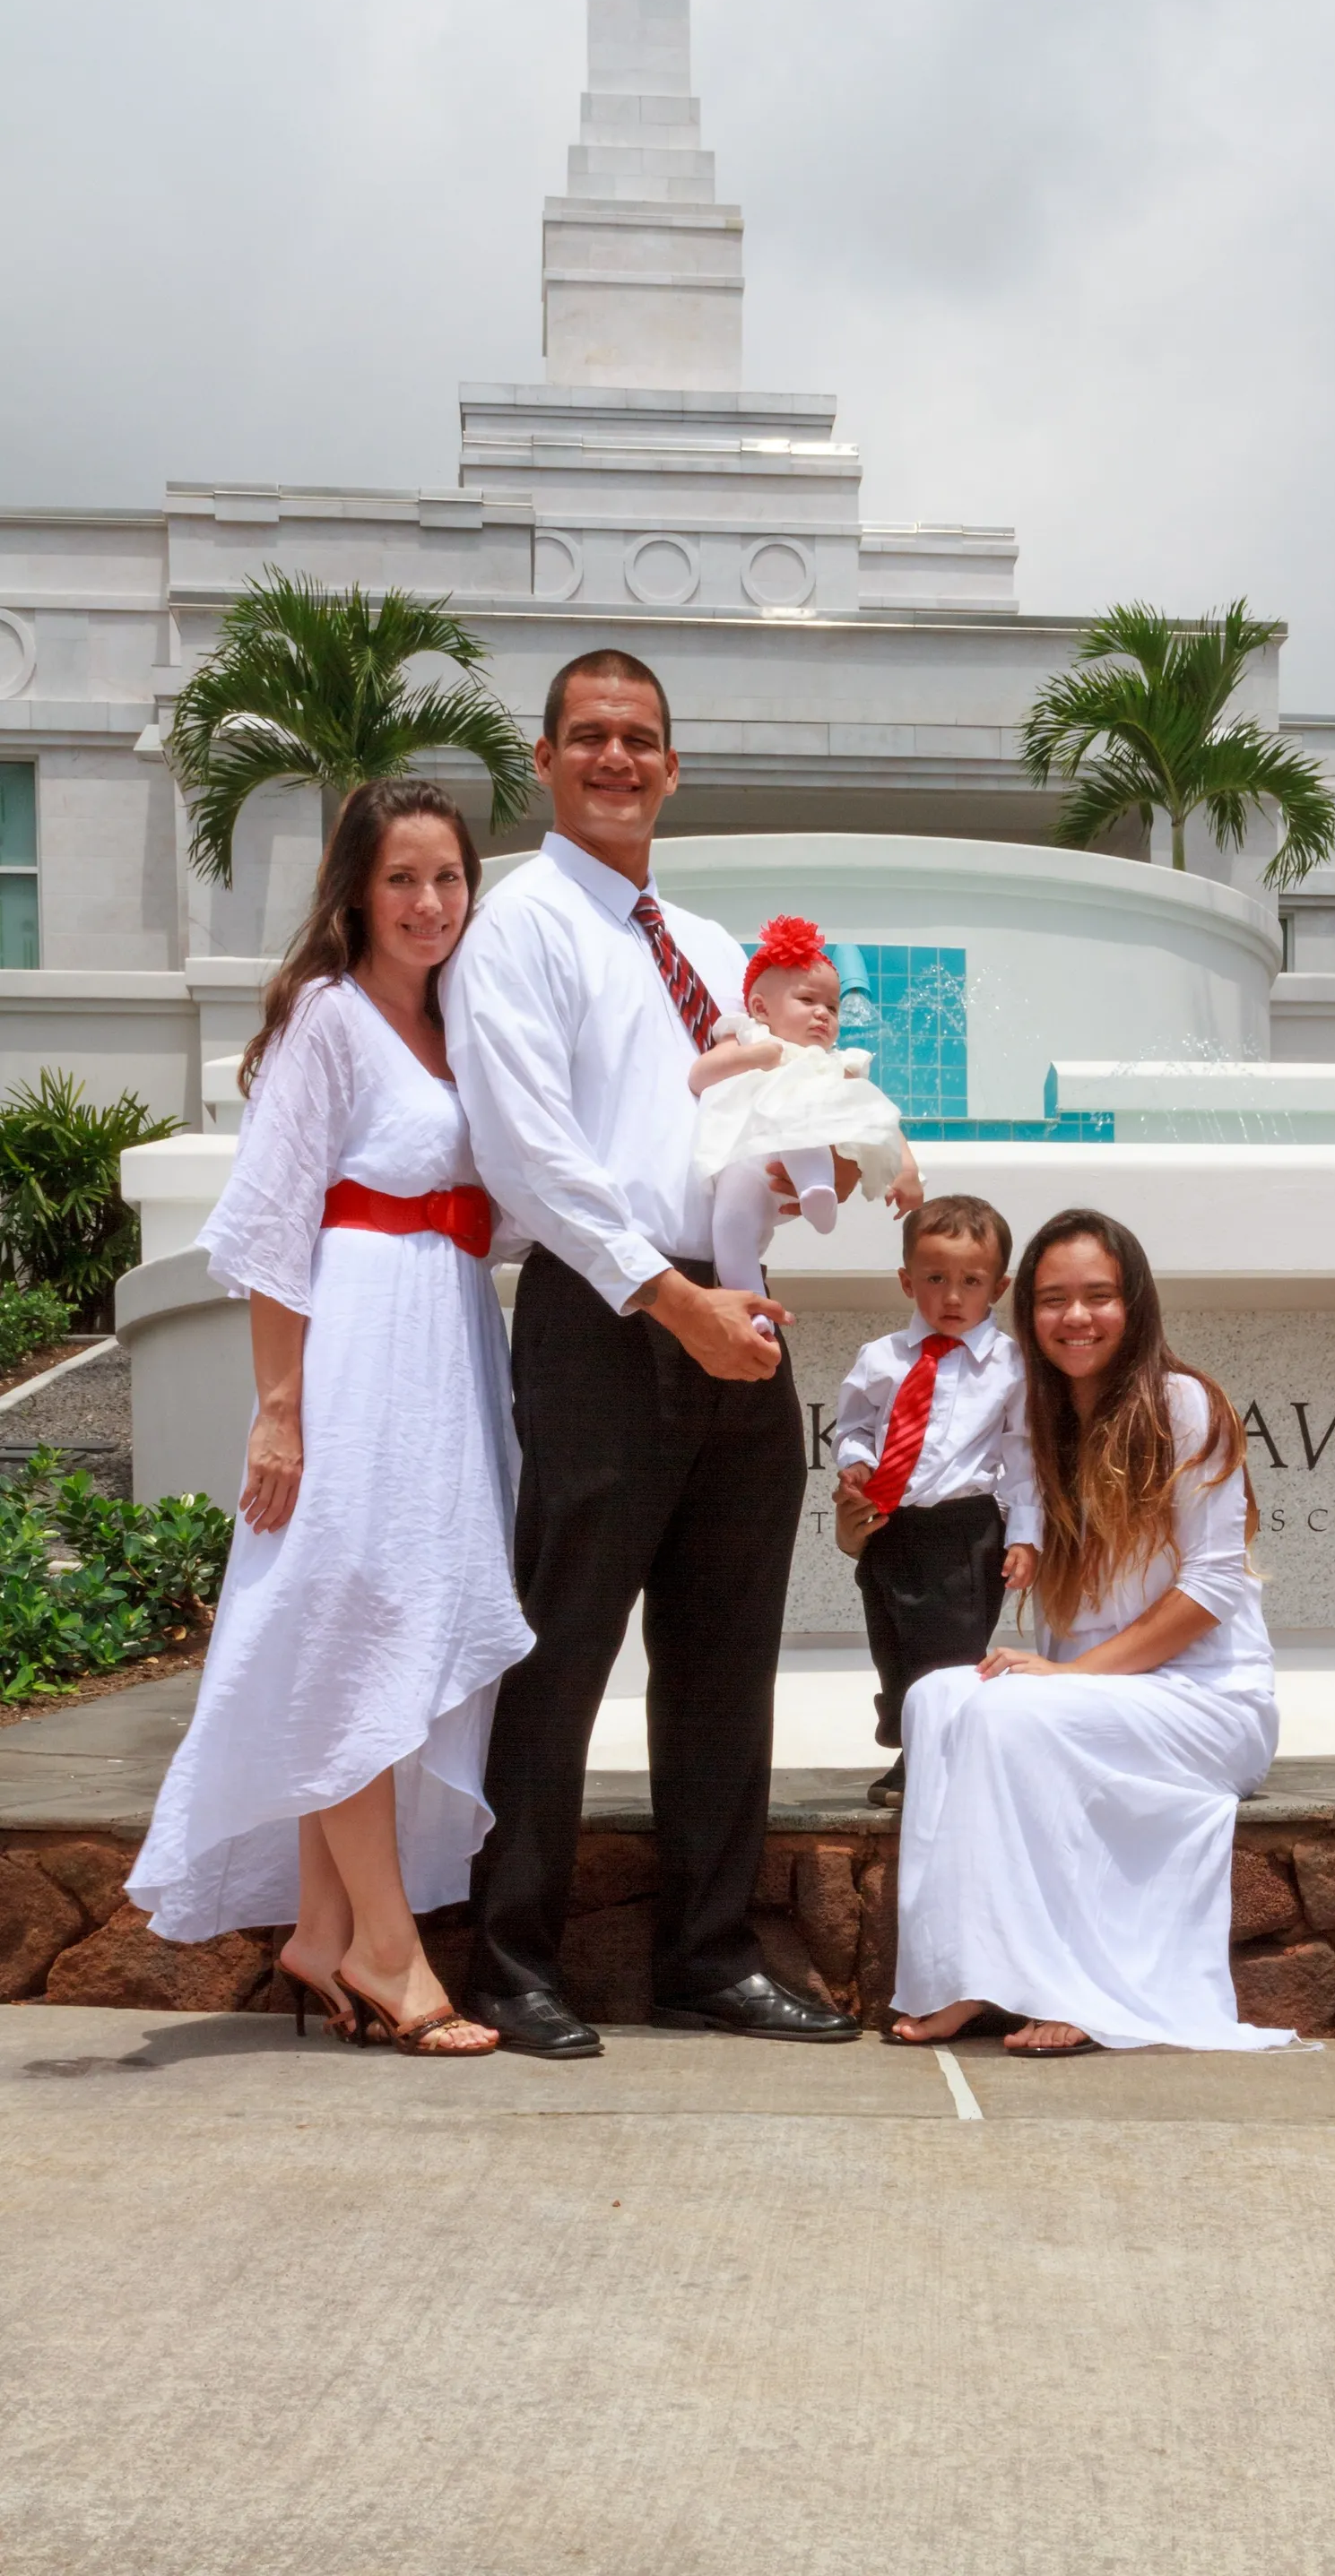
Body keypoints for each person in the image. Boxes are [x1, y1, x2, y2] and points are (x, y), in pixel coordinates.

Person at [440, 647, 862, 2054]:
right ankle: (510, 1958)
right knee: (559, 1650)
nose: (617, 759)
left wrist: (814, 1177)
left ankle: (708, 1955)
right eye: (591, 737)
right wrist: (665, 1295)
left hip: (739, 1315)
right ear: (548, 760)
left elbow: (740, 1123)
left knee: (725, 1655)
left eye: (641, 740)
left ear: (673, 767)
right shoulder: (521, 927)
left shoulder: (703, 936)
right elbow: (530, 1153)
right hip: (607, 1315)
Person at [126, 778, 533, 2058]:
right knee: (354, 1626)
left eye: (449, 878)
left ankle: (318, 1928)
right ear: (359, 890)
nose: (429, 902)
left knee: (394, 1624)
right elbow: (272, 1227)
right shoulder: (328, 1017)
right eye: (403, 878)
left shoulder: (463, 1025)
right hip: (358, 1347)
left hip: (450, 1342)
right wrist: (282, 1414)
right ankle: (388, 1949)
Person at [889, 1208, 1296, 2057]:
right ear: (1025, 1313)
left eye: (1099, 1296)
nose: (1075, 1318)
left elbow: (1211, 1589)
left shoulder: (1185, 1405)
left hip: (1207, 1702)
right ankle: (958, 1973)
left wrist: (1075, 1678)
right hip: (1090, 1697)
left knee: (1007, 1713)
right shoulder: (1035, 1420)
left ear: (1134, 1303)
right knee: (935, 1700)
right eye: (1052, 1300)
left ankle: (1077, 1987)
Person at [831, 1195, 1039, 1810]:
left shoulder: (1010, 1366)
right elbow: (851, 1429)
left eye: (971, 1282)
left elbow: (1024, 1455)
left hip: (966, 1527)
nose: (952, 1297)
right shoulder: (880, 1359)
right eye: (935, 1279)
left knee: (950, 1649)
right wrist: (852, 1461)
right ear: (906, 1280)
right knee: (891, 1638)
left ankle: (939, 1753)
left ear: (998, 1286)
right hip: (891, 1523)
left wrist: (1026, 1533)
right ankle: (909, 1739)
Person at [692, 912, 920, 1333]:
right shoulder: (748, 1038)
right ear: (760, 1008)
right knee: (731, 1229)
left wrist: (907, 1169)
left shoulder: (833, 1065)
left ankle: (818, 1189)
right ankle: (755, 1310)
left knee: (800, 1116)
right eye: (808, 1002)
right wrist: (752, 1057)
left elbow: (878, 1116)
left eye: (832, 1007)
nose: (823, 1015)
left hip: (797, 1151)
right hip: (743, 1162)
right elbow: (700, 1077)